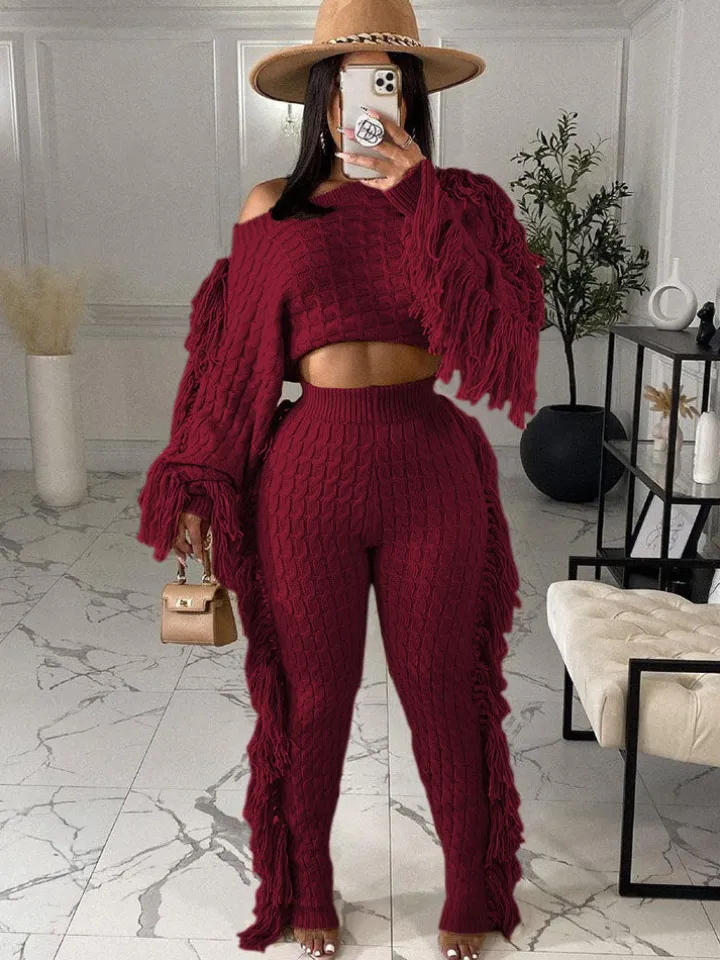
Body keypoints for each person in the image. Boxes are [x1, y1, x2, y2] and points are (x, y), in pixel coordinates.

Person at [136, 0, 546, 957]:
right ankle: (307, 886)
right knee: (311, 695)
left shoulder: (464, 203)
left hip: (431, 470)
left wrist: (418, 196)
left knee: (444, 688)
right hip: (306, 474)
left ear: (410, 96)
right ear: (322, 97)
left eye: (387, 80)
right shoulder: (271, 207)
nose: (368, 100)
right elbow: (234, 364)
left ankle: (471, 887)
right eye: (353, 81)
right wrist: (199, 485)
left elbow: (503, 332)